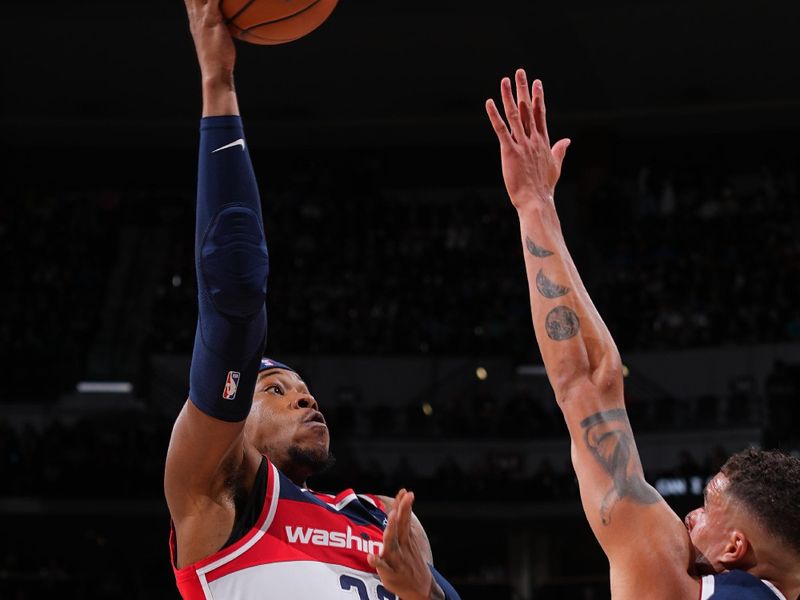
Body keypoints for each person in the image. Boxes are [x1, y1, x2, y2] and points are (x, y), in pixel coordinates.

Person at [164, 2, 461, 599]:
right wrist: (218, 84)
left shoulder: (380, 514)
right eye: (275, 389)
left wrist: (421, 593)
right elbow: (235, 294)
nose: (304, 396)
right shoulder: (217, 493)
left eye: (303, 389)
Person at [485, 68, 800, 599]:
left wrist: (534, 205)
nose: (689, 516)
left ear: (734, 549)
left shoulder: (680, 580)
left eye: (704, 512)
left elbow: (587, 380)